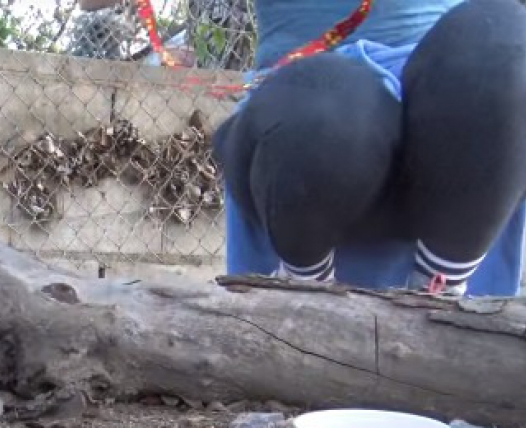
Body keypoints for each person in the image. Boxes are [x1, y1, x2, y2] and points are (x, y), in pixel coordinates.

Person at [213, 0, 526, 297]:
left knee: (501, 39)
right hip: (304, 112)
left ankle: (437, 294)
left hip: (458, 104)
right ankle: (306, 295)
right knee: (325, 107)